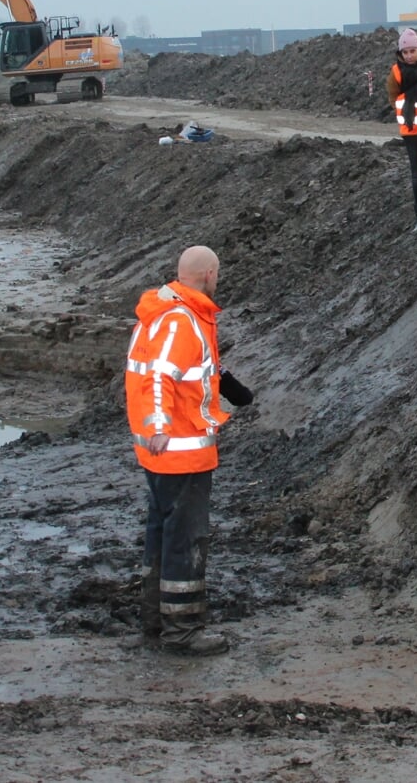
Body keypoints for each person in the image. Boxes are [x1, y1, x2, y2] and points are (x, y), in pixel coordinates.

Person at [125, 245, 256, 657]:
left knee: (162, 531)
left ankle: (155, 617)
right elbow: (161, 378)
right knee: (185, 537)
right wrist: (161, 427)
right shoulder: (183, 321)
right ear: (210, 273)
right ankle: (182, 629)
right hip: (179, 450)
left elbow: (181, 371)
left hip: (163, 451)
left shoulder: (169, 315)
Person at [385, 28, 417, 231]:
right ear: (400, 53)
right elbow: (393, 98)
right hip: (411, 130)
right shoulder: (396, 73)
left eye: (413, 51)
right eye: (406, 52)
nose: (409, 55)